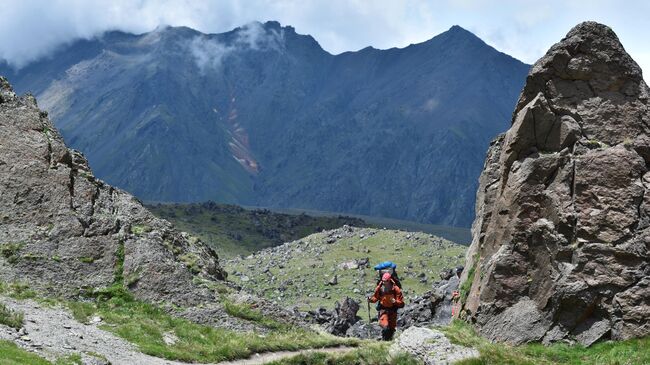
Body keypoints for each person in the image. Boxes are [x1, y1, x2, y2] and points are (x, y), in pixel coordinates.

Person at [368, 272, 404, 340]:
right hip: (383, 310)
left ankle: (388, 343)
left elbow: (401, 303)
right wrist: (370, 300)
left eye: (386, 281)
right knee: (385, 326)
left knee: (391, 329)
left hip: (393, 311)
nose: (384, 282)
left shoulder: (396, 289)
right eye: (383, 281)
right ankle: (384, 341)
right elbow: (375, 298)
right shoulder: (379, 288)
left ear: (389, 280)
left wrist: (395, 301)